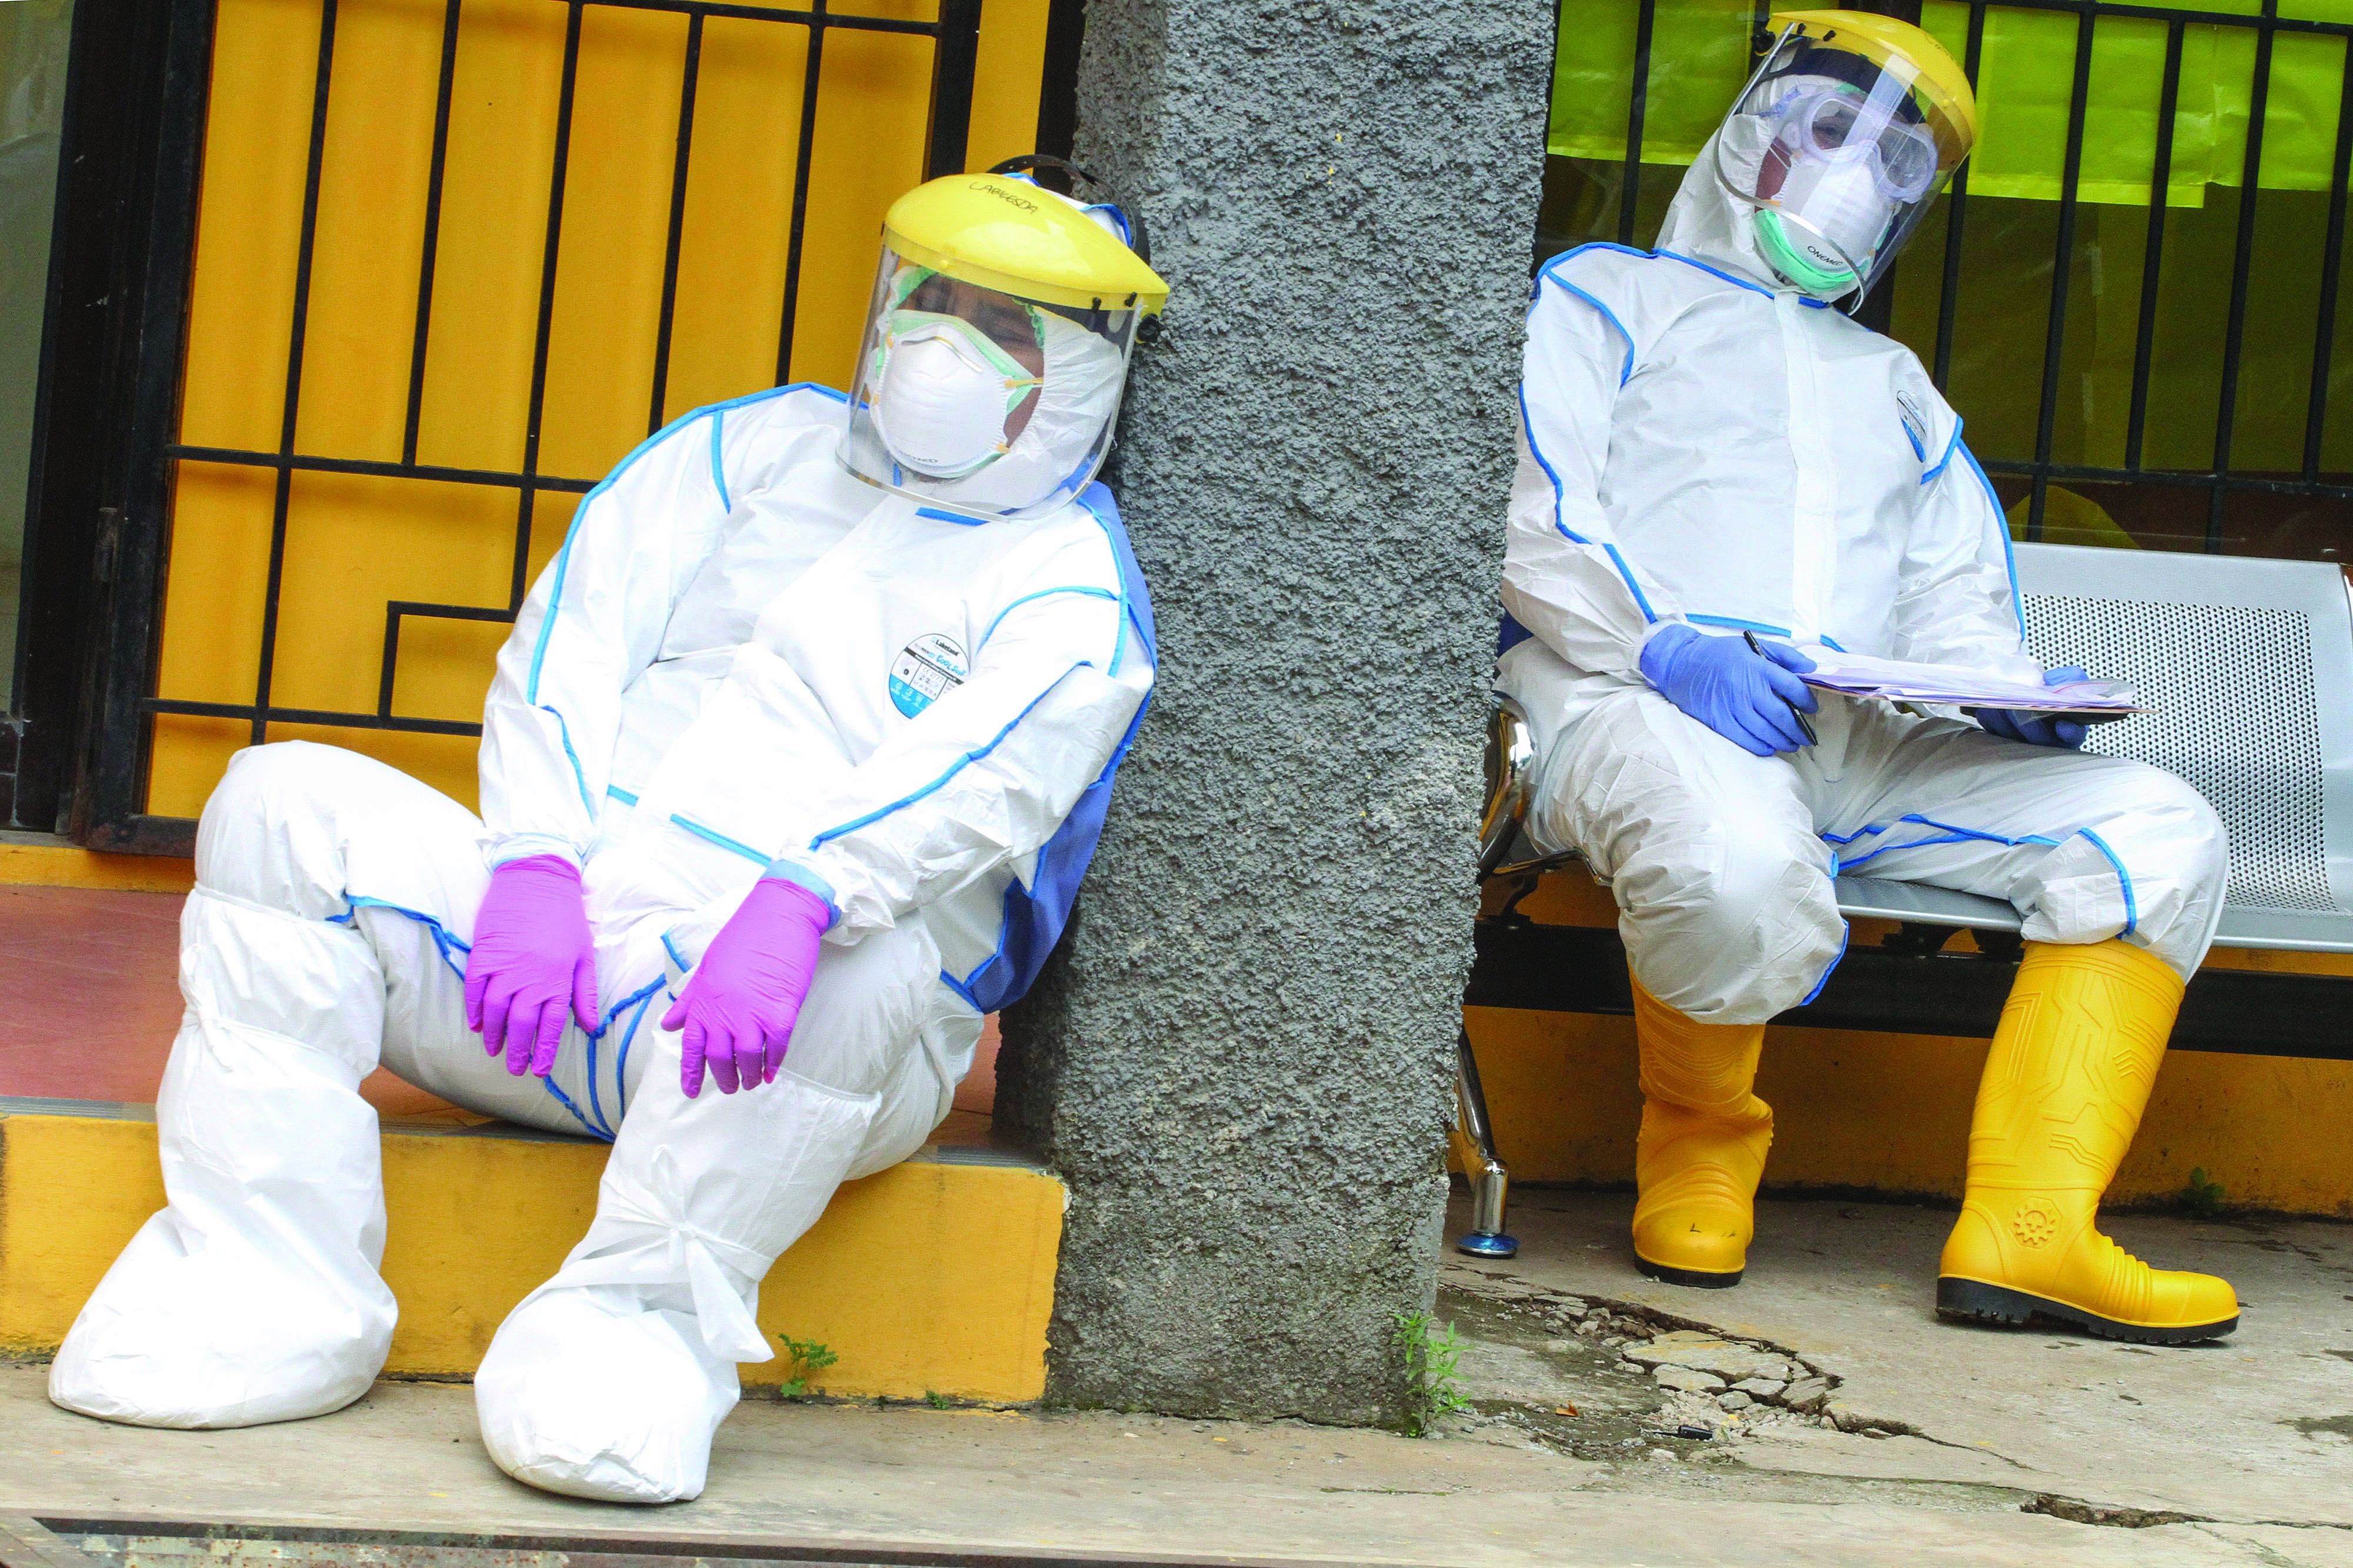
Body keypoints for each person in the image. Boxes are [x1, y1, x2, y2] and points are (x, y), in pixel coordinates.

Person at [48, 162, 1167, 1500]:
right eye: (935, 299)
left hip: (769, 1041)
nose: (944, 347)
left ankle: (632, 1330)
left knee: (873, 968)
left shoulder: (1065, 581)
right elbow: (566, 644)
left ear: (1088, 367)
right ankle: (262, 1282)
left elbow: (990, 776)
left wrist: (805, 896)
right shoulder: (745, 451)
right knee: (280, 803)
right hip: (550, 975)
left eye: (1007, 325)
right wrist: (532, 864)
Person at [1497, 10, 2237, 1344]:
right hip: (1634, 701)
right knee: (1725, 860)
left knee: (2156, 832)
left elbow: (1952, 594)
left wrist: (2002, 692)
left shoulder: (1892, 381)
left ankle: (2030, 1230)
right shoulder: (1601, 295)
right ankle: (1702, 1141)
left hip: (1858, 743)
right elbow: (1530, 509)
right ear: (1751, 127)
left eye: (1895, 159)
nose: (1851, 172)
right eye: (1828, 129)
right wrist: (1662, 642)